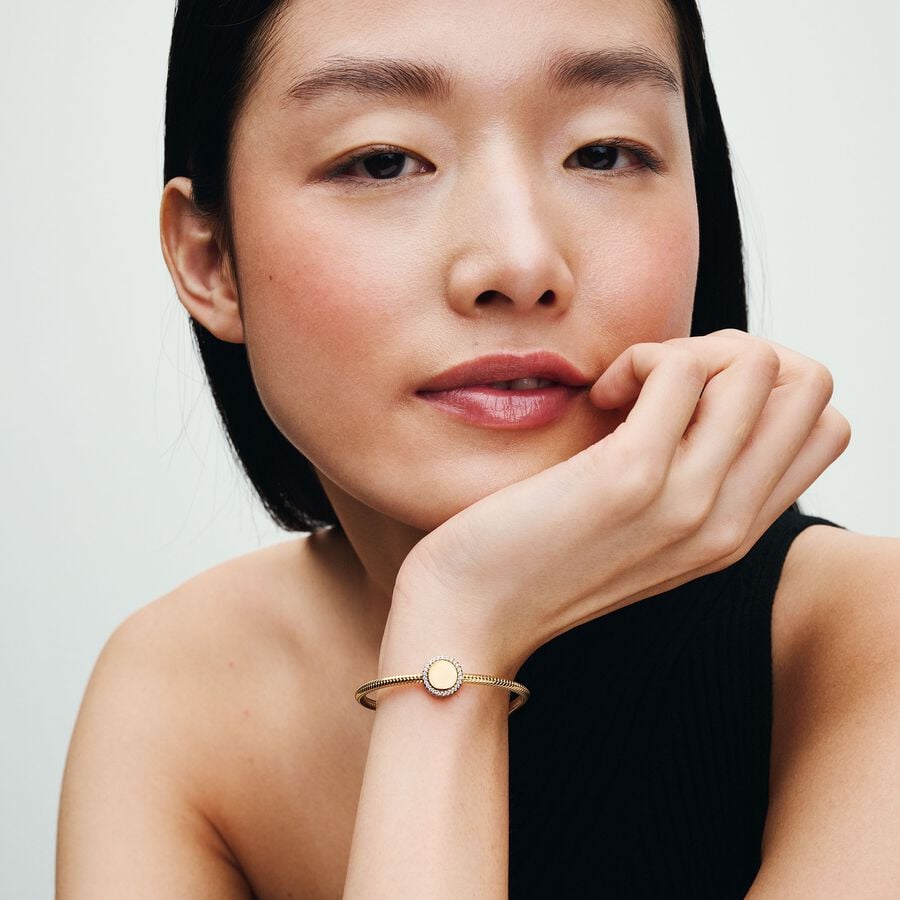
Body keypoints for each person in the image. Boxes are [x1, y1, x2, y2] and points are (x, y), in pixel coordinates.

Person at [56, 0, 899, 897]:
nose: (520, 262)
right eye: (383, 161)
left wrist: (454, 621)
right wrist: (457, 637)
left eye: (603, 153)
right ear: (210, 259)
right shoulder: (179, 694)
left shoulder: (866, 648)